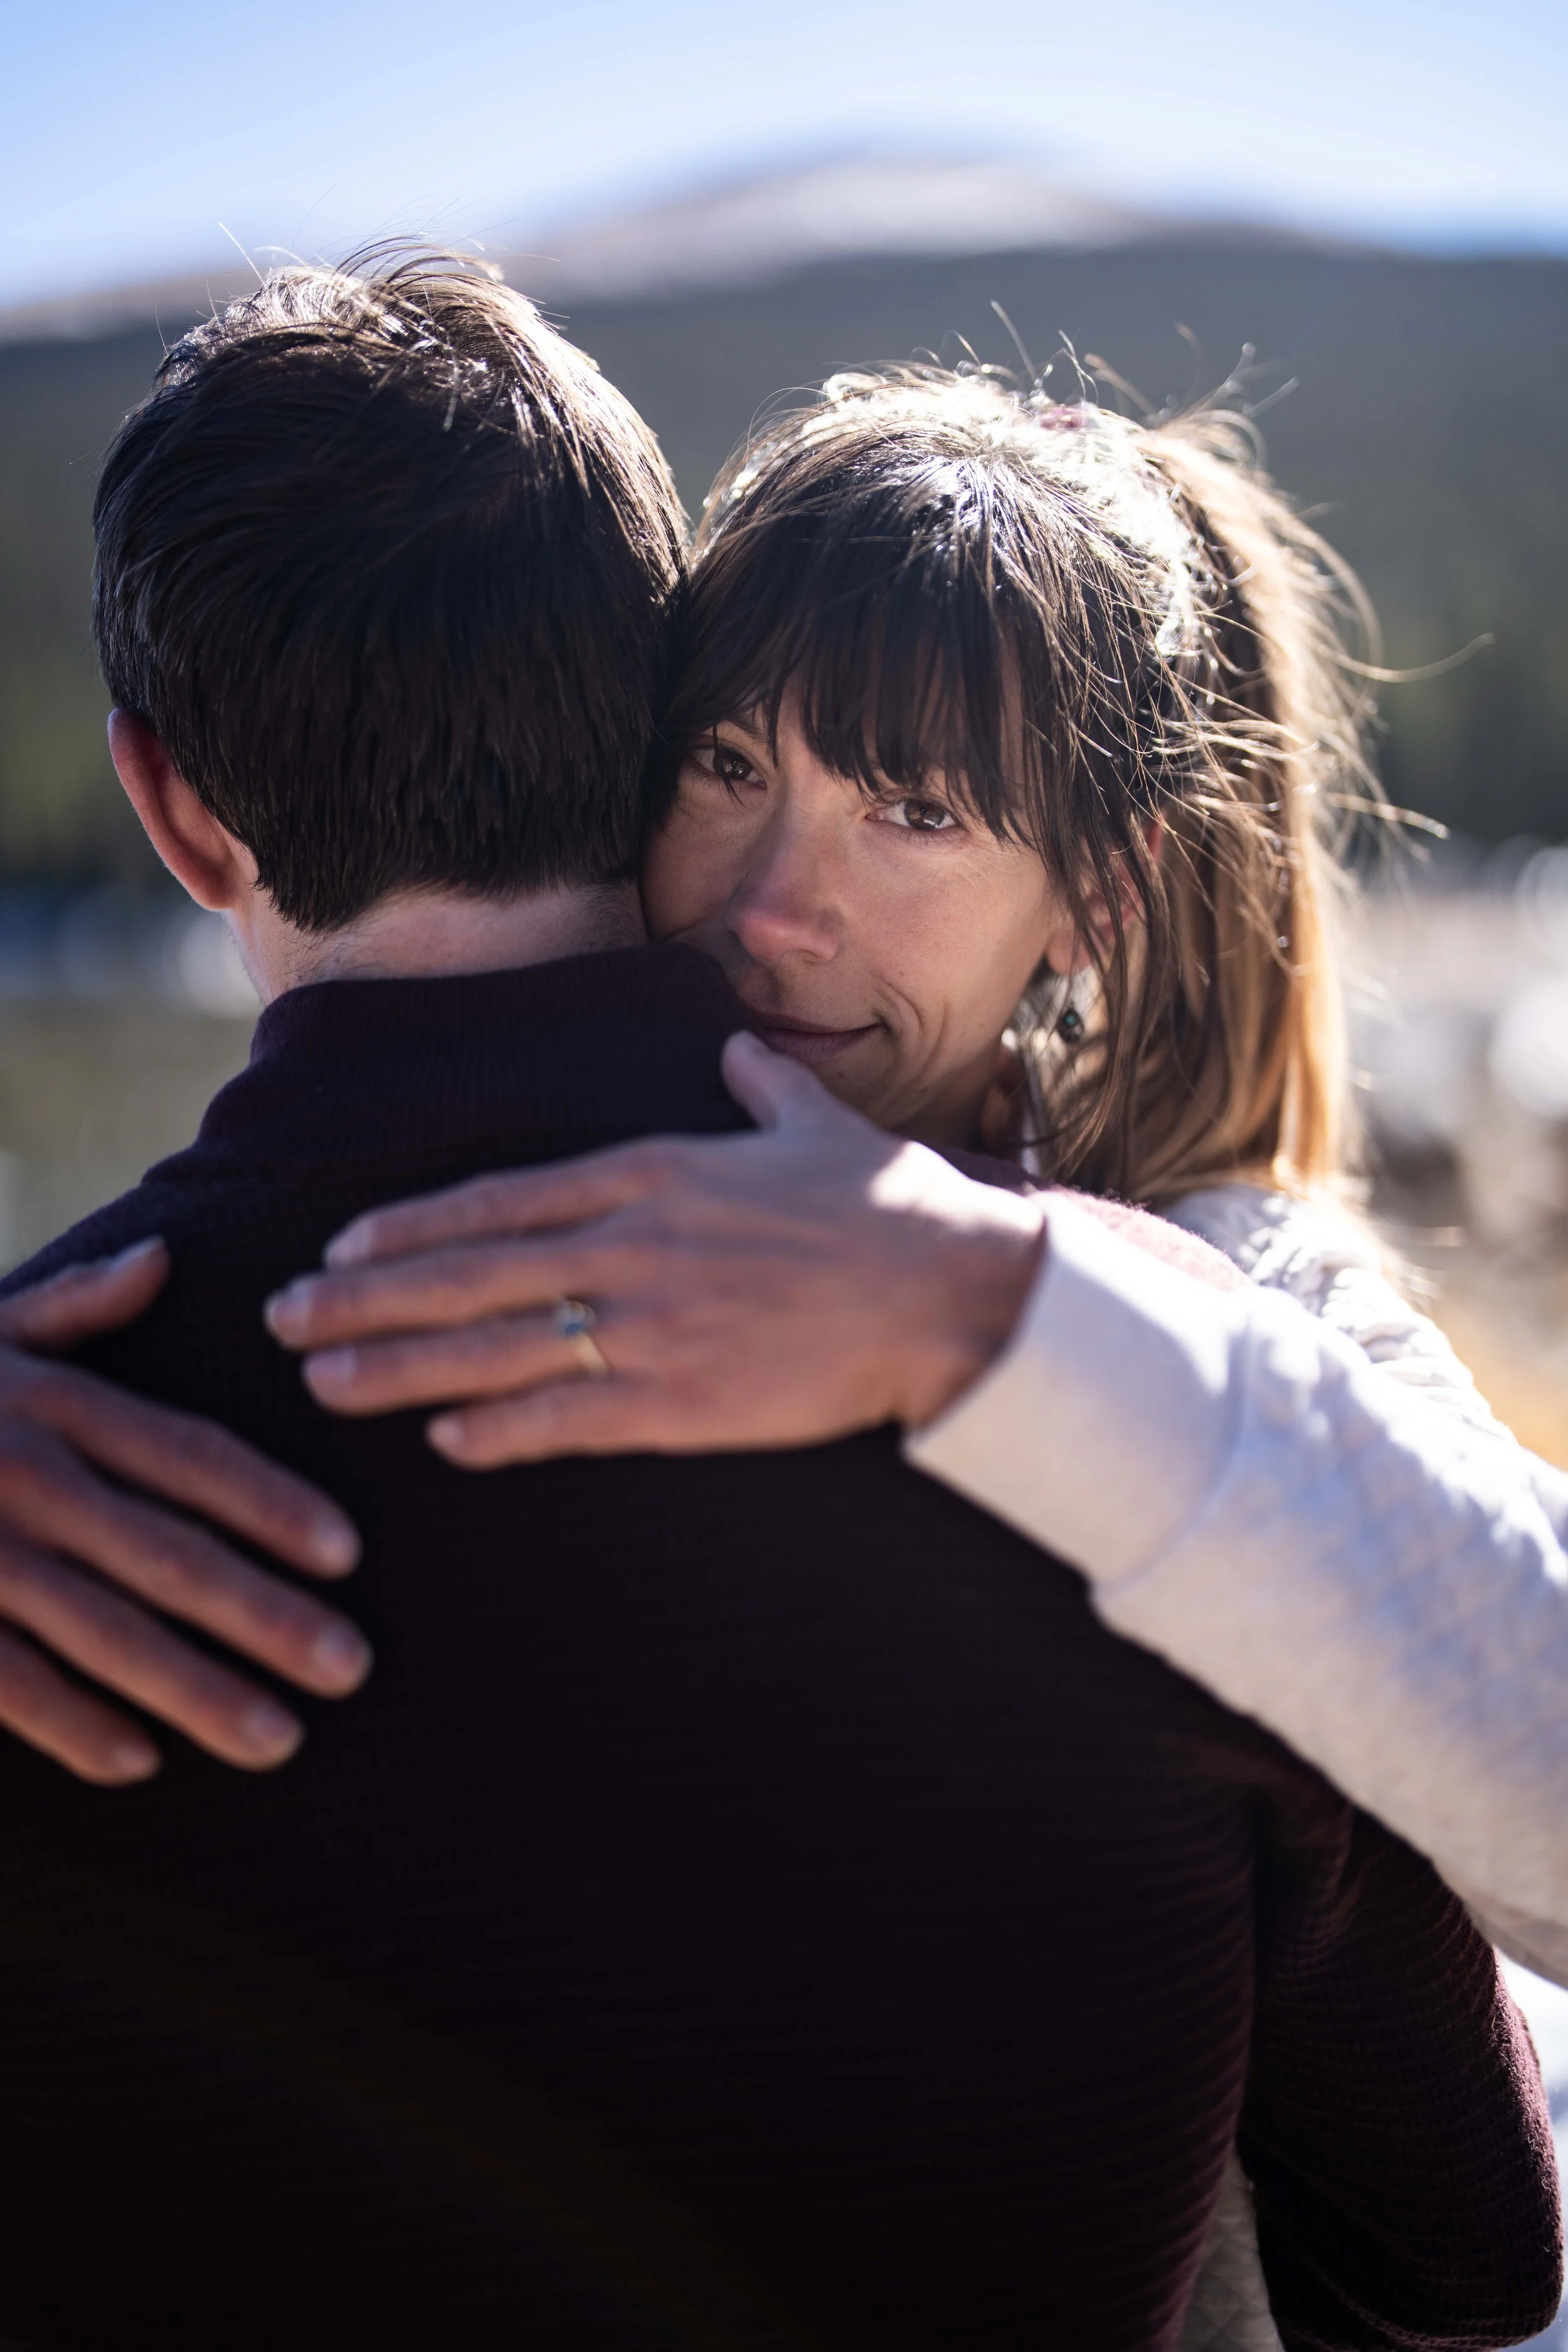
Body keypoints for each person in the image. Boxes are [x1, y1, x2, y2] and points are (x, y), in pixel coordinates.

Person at [6, 250, 1553, 2352]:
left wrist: (999, 1324)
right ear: (621, 722)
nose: (766, 907)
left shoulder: (1196, 1316)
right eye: (728, 762)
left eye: (915, 809)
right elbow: (1455, 2247)